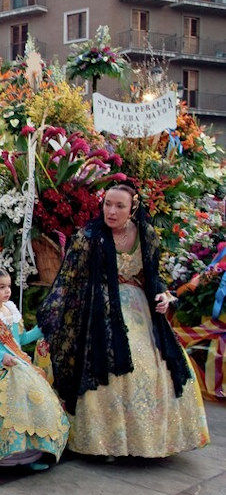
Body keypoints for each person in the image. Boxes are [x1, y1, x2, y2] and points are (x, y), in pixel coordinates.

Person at [37, 184, 209, 458]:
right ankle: (105, 443)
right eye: (107, 204)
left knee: (151, 363)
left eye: (119, 206)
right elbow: (69, 281)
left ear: (133, 210)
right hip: (98, 307)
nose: (112, 211)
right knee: (108, 365)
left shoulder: (146, 235)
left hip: (138, 307)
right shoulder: (88, 237)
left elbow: (151, 276)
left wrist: (164, 296)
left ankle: (150, 440)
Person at [0, 260, 70, 471]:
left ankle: (31, 454)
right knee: (6, 410)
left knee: (35, 403)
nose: (7, 291)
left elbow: (20, 339)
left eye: (9, 286)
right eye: (1, 287)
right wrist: (1, 357)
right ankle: (7, 455)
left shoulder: (11, 311)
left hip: (19, 365)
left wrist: (41, 329)